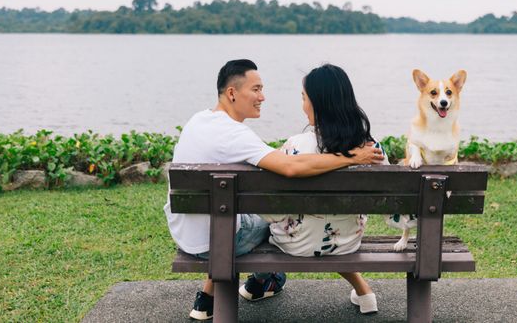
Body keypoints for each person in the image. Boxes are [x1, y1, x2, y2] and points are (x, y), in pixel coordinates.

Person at [163, 59, 384, 321]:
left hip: (187, 231)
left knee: (268, 215)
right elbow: (290, 168)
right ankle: (262, 283)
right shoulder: (236, 136)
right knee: (271, 217)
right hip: (217, 240)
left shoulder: (198, 121)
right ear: (232, 93)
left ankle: (214, 297)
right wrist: (351, 157)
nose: (263, 97)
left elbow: (287, 164)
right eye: (256, 89)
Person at [261, 64, 386, 314]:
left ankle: (261, 280)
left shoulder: (295, 147)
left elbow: (268, 206)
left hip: (294, 243)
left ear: (317, 103)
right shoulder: (373, 151)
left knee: (262, 223)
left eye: (304, 97)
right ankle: (362, 290)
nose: (302, 104)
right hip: (346, 241)